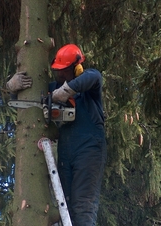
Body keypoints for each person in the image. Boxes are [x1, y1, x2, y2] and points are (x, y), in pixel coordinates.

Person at [7, 44, 107, 226]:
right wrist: (12, 89)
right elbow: (28, 104)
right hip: (66, 152)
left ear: (76, 68)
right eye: (58, 71)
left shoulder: (89, 90)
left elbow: (95, 76)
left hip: (89, 150)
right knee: (65, 208)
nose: (60, 75)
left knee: (83, 207)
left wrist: (67, 91)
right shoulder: (54, 88)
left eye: (64, 71)